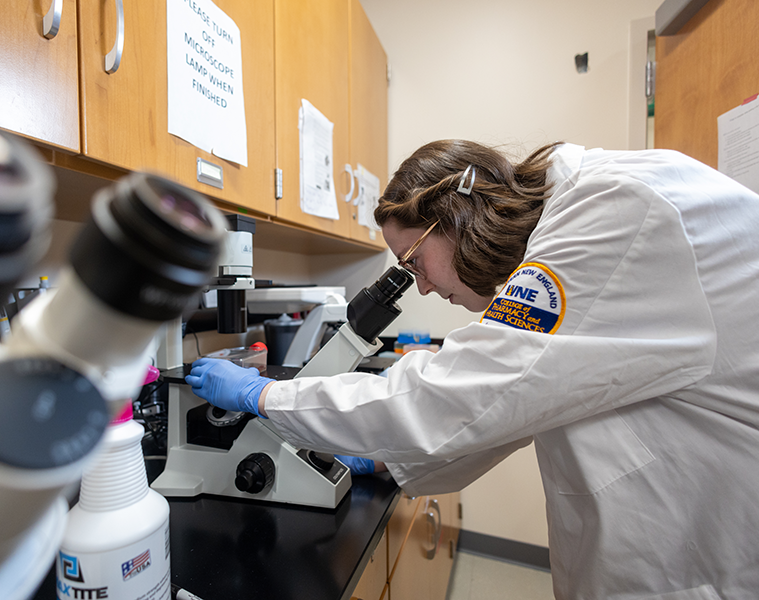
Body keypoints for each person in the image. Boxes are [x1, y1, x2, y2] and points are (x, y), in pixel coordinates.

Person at [185, 139, 759, 599]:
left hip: (711, 554)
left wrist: (264, 397)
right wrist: (384, 454)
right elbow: (505, 406)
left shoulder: (615, 210)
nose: (426, 286)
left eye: (414, 263)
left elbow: (457, 401)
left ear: (452, 213)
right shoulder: (582, 219)